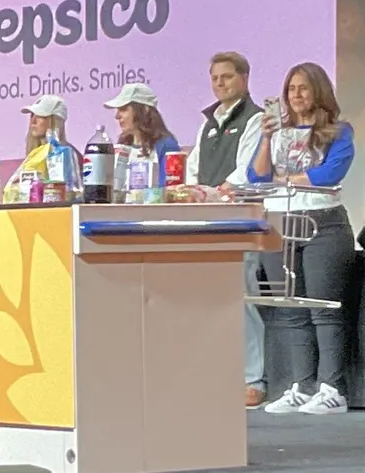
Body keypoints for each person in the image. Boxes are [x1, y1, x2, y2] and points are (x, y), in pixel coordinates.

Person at [249, 62, 356, 416]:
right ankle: (301, 385)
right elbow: (256, 175)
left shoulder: (338, 131)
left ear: (319, 91)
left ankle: (332, 388)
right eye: (291, 88)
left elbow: (328, 174)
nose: (296, 95)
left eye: (303, 88)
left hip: (322, 223)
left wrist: (286, 178)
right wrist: (266, 139)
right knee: (291, 311)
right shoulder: (278, 133)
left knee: (323, 310)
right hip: (280, 223)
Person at [183, 51, 266, 406]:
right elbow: (193, 169)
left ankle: (253, 379)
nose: (220, 84)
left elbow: (246, 171)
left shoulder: (256, 119)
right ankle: (215, 374)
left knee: (241, 299)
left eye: (227, 77)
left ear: (244, 78)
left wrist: (209, 193)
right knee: (207, 300)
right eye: (215, 78)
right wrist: (191, 192)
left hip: (238, 218)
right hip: (206, 219)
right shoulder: (207, 123)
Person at [2, 96, 80, 201]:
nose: (33, 121)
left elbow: (71, 195)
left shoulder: (66, 154)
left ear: (55, 120)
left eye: (40, 116)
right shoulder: (34, 154)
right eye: (32, 115)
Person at [104, 83, 181, 184]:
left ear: (145, 110)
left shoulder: (167, 146)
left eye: (123, 109)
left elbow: (169, 190)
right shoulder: (122, 147)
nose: (117, 116)